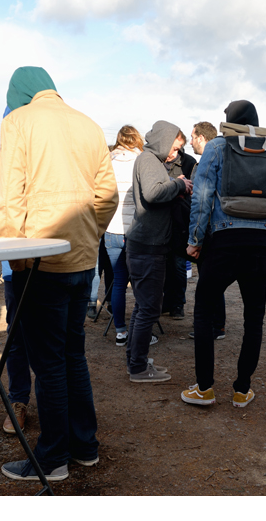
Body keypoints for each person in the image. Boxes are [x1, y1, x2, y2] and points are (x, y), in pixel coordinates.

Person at [0, 66, 118, 483]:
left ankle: (52, 458)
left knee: (47, 363)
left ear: (19, 95)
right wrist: (88, 233)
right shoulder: (89, 124)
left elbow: (11, 194)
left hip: (40, 257)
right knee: (72, 354)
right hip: (81, 256)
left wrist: (17, 253)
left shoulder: (18, 121)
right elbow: (107, 196)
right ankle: (84, 446)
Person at [182, 100, 266, 407]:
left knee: (204, 312)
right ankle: (241, 389)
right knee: (254, 319)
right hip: (259, 246)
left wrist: (195, 239)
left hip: (223, 240)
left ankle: (205, 388)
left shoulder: (219, 146)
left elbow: (203, 195)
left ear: (229, 120)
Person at [125, 121, 193, 383]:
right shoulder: (150, 160)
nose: (175, 154)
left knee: (144, 307)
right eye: (175, 148)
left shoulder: (149, 159)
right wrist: (177, 184)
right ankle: (139, 368)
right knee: (150, 309)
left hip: (147, 245)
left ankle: (135, 359)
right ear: (165, 141)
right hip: (148, 247)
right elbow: (153, 194)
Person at [0, 148, 32, 435]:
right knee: (17, 335)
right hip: (15, 263)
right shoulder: (4, 163)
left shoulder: (54, 156)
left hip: (55, 263)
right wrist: (11, 206)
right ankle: (19, 401)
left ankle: (59, 405)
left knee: (57, 337)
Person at [185, 121, 227, 341]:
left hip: (211, 230)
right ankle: (215, 323)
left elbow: (203, 201)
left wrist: (196, 238)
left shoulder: (209, 160)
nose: (190, 141)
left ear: (201, 137)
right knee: (212, 278)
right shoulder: (224, 156)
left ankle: (215, 326)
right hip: (219, 229)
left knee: (210, 279)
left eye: (192, 137)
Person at [105, 125, 144, 346]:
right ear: (136, 139)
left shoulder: (107, 162)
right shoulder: (141, 161)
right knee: (139, 281)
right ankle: (141, 330)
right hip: (135, 231)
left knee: (119, 281)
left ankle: (120, 331)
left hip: (111, 229)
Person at [161, 133, 197, 321]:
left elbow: (192, 190)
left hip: (179, 222)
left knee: (177, 264)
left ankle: (178, 304)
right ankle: (165, 303)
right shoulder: (157, 162)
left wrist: (175, 189)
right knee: (162, 265)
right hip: (160, 221)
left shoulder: (189, 162)